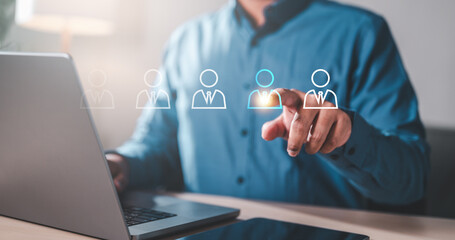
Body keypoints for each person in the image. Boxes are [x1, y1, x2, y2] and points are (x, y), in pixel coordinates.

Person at [107, 0, 430, 210]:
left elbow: (409, 181)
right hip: (200, 232)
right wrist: (119, 164)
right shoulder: (185, 40)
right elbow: (156, 145)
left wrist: (346, 136)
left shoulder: (361, 33)